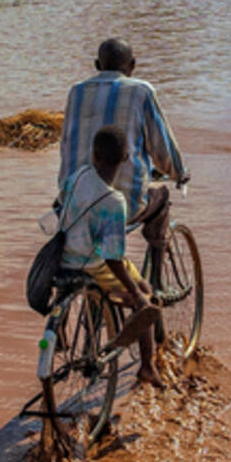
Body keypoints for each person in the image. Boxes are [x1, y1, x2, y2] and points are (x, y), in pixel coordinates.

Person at [57, 38, 187, 294]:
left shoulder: (77, 91)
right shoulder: (141, 91)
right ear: (133, 65)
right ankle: (157, 285)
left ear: (97, 65)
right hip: (121, 202)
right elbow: (163, 151)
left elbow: (66, 146)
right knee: (161, 197)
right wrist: (179, 173)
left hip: (72, 201)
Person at [59, 125, 163, 387]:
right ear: (125, 159)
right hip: (92, 264)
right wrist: (137, 295)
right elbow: (113, 258)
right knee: (145, 290)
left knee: (130, 283)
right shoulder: (114, 201)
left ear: (94, 156)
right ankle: (147, 366)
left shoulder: (78, 176)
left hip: (64, 256)